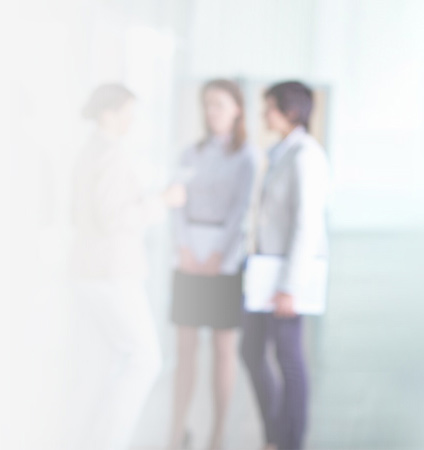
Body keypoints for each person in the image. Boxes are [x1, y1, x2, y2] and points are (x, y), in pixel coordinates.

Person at [69, 83, 186, 450]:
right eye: (128, 113)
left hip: (91, 269)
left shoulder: (89, 151)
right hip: (111, 271)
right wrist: (162, 201)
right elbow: (114, 218)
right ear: (109, 114)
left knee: (110, 361)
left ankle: (93, 438)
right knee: (145, 360)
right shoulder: (111, 155)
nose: (133, 121)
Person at [167, 79, 257, 450]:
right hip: (189, 257)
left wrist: (218, 254)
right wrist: (185, 248)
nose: (212, 112)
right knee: (185, 350)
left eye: (219, 104)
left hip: (224, 260)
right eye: (207, 104)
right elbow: (177, 202)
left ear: (237, 109)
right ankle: (176, 431)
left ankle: (217, 433)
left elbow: (240, 210)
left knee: (223, 349)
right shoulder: (191, 153)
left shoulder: (246, 156)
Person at [241, 81, 330, 450]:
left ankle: (290, 441)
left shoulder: (306, 156)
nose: (264, 114)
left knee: (288, 358)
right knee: (251, 350)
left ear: (291, 111)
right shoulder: (281, 153)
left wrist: (289, 286)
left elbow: (306, 225)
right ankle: (275, 436)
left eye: (270, 107)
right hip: (264, 272)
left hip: (285, 277)